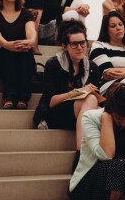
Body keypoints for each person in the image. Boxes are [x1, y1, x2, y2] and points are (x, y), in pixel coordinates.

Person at [34, 21, 101, 151]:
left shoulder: (92, 67)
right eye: (74, 44)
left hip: (83, 113)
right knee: (91, 101)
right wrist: (78, 92)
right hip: (55, 113)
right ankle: (81, 151)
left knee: (103, 110)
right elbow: (52, 102)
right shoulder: (53, 64)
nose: (80, 47)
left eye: (83, 43)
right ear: (64, 46)